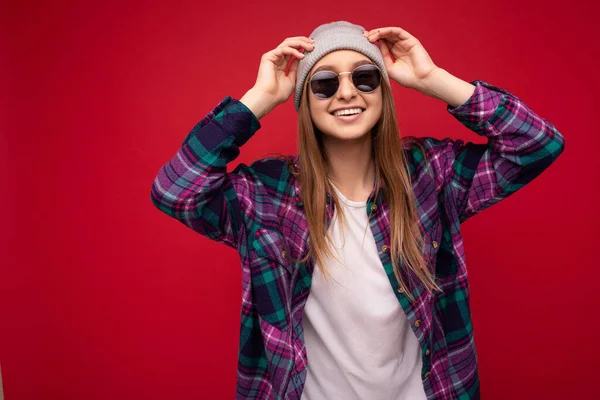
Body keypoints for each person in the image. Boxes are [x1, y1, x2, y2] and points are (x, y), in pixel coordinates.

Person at [151, 21, 565, 400]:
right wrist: (257, 101)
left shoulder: (430, 175)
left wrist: (432, 80)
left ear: (383, 91)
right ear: (304, 103)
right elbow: (175, 191)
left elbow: (536, 144)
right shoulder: (265, 194)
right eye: (324, 84)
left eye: (365, 79)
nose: (347, 93)